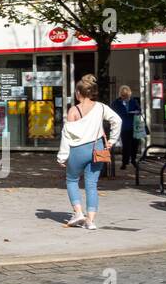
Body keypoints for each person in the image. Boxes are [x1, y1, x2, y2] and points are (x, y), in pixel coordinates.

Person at [56, 74, 121, 230]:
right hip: (96, 148)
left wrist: (62, 156)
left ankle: (78, 213)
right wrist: (112, 140)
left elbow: (67, 135)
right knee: (92, 185)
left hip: (77, 150)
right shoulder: (101, 107)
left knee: (72, 180)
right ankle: (90, 221)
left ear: (79, 93)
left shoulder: (74, 111)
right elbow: (117, 120)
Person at [110, 85, 142, 169]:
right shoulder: (116, 103)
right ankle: (124, 162)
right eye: (123, 95)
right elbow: (112, 112)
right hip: (123, 126)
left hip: (134, 126)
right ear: (120, 95)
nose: (125, 97)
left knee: (135, 144)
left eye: (127, 95)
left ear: (129, 94)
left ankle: (133, 160)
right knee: (126, 145)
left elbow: (139, 110)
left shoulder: (133, 101)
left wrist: (136, 112)